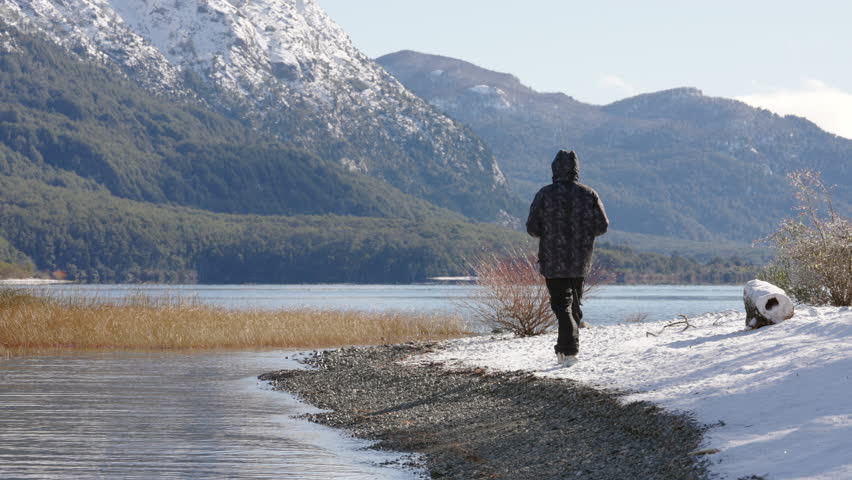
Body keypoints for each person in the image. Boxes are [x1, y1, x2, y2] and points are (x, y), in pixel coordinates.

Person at [526, 150, 608, 367]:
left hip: (553, 259)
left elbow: (532, 228)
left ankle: (569, 351)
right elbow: (602, 226)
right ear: (576, 170)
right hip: (581, 259)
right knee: (574, 305)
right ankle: (566, 351)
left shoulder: (545, 194)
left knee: (562, 305)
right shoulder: (589, 194)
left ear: (554, 169)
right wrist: (584, 233)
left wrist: (549, 231)